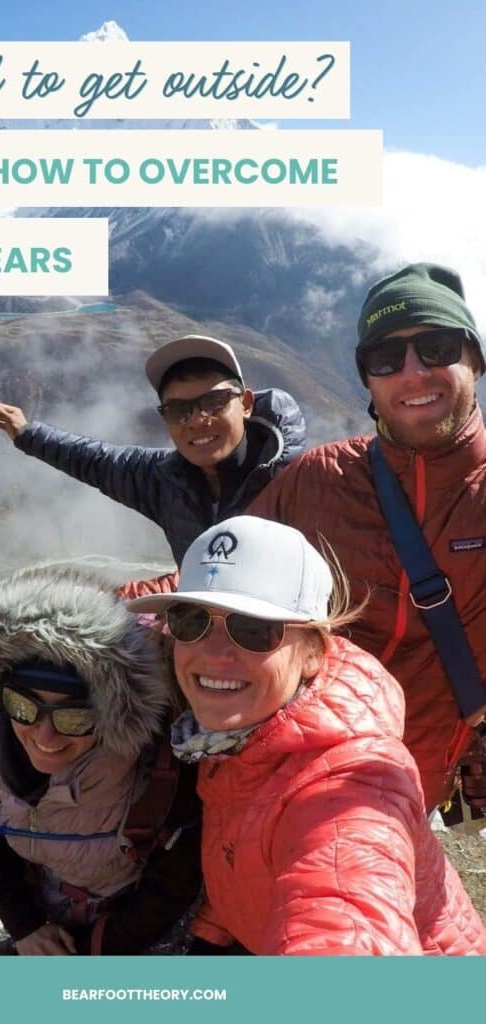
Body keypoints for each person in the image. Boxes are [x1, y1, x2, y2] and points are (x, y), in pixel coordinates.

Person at [127, 515, 486, 955]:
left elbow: (346, 907)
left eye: (253, 629)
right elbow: (249, 849)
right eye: (191, 620)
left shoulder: (346, 789)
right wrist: (213, 936)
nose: (214, 652)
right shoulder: (236, 735)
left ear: (314, 651)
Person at [250, 263, 486, 813]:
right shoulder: (319, 479)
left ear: (473, 358)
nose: (412, 373)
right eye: (385, 358)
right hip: (307, 773)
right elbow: (222, 569)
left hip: (419, 786)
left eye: (436, 345)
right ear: (368, 382)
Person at [0, 566, 201, 955]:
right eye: (22, 705)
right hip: (46, 907)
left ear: (109, 713)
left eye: (75, 717)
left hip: (136, 926)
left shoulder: (156, 759)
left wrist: (100, 948)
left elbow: (176, 875)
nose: (45, 737)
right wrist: (25, 925)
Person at [0, 334, 305, 566]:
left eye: (213, 403)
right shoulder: (164, 480)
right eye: (180, 411)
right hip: (206, 641)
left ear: (246, 404)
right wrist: (27, 432)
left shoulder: (297, 479)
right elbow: (96, 460)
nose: (197, 421)